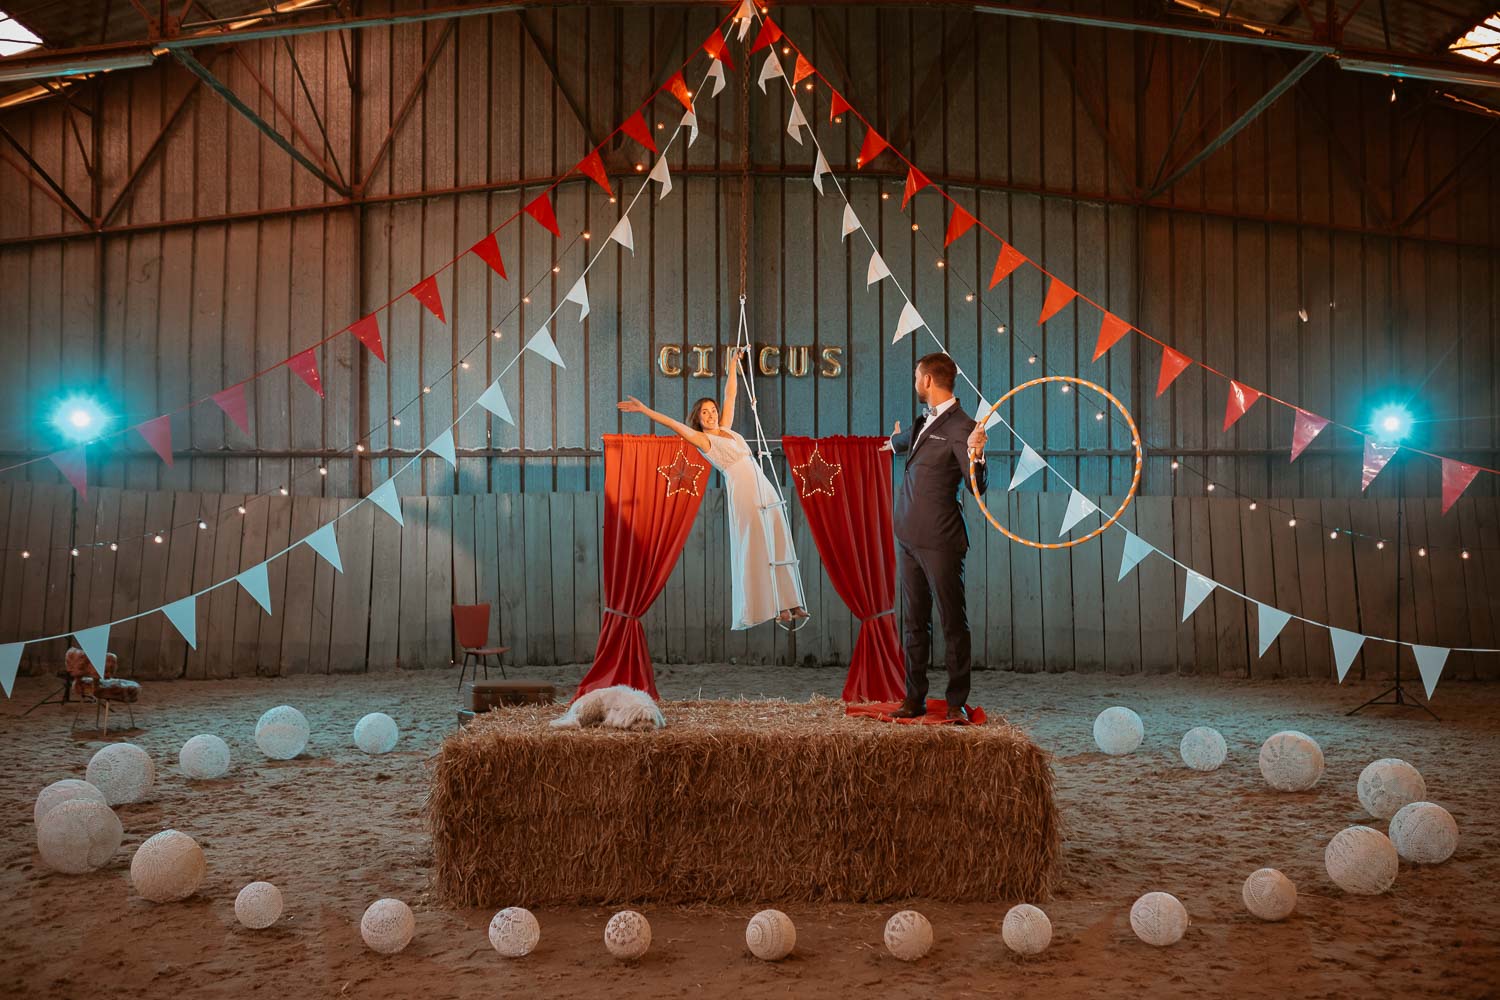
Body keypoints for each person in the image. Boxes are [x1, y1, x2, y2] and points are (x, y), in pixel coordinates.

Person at [617, 347, 808, 629]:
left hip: (760, 482)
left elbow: (730, 395)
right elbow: (672, 424)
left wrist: (733, 365)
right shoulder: (703, 440)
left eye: (713, 410)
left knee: (776, 536)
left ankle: (792, 603)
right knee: (756, 543)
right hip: (743, 487)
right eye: (705, 412)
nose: (711, 415)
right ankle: (775, 608)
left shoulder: (727, 429)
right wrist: (645, 410)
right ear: (698, 417)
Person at [880, 351, 989, 723]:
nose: (915, 383)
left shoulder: (963, 427)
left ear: (927, 380)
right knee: (913, 621)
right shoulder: (926, 421)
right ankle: (914, 699)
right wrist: (893, 442)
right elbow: (912, 441)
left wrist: (977, 454)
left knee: (951, 622)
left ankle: (956, 702)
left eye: (916, 376)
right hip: (908, 537)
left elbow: (977, 488)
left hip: (941, 540)